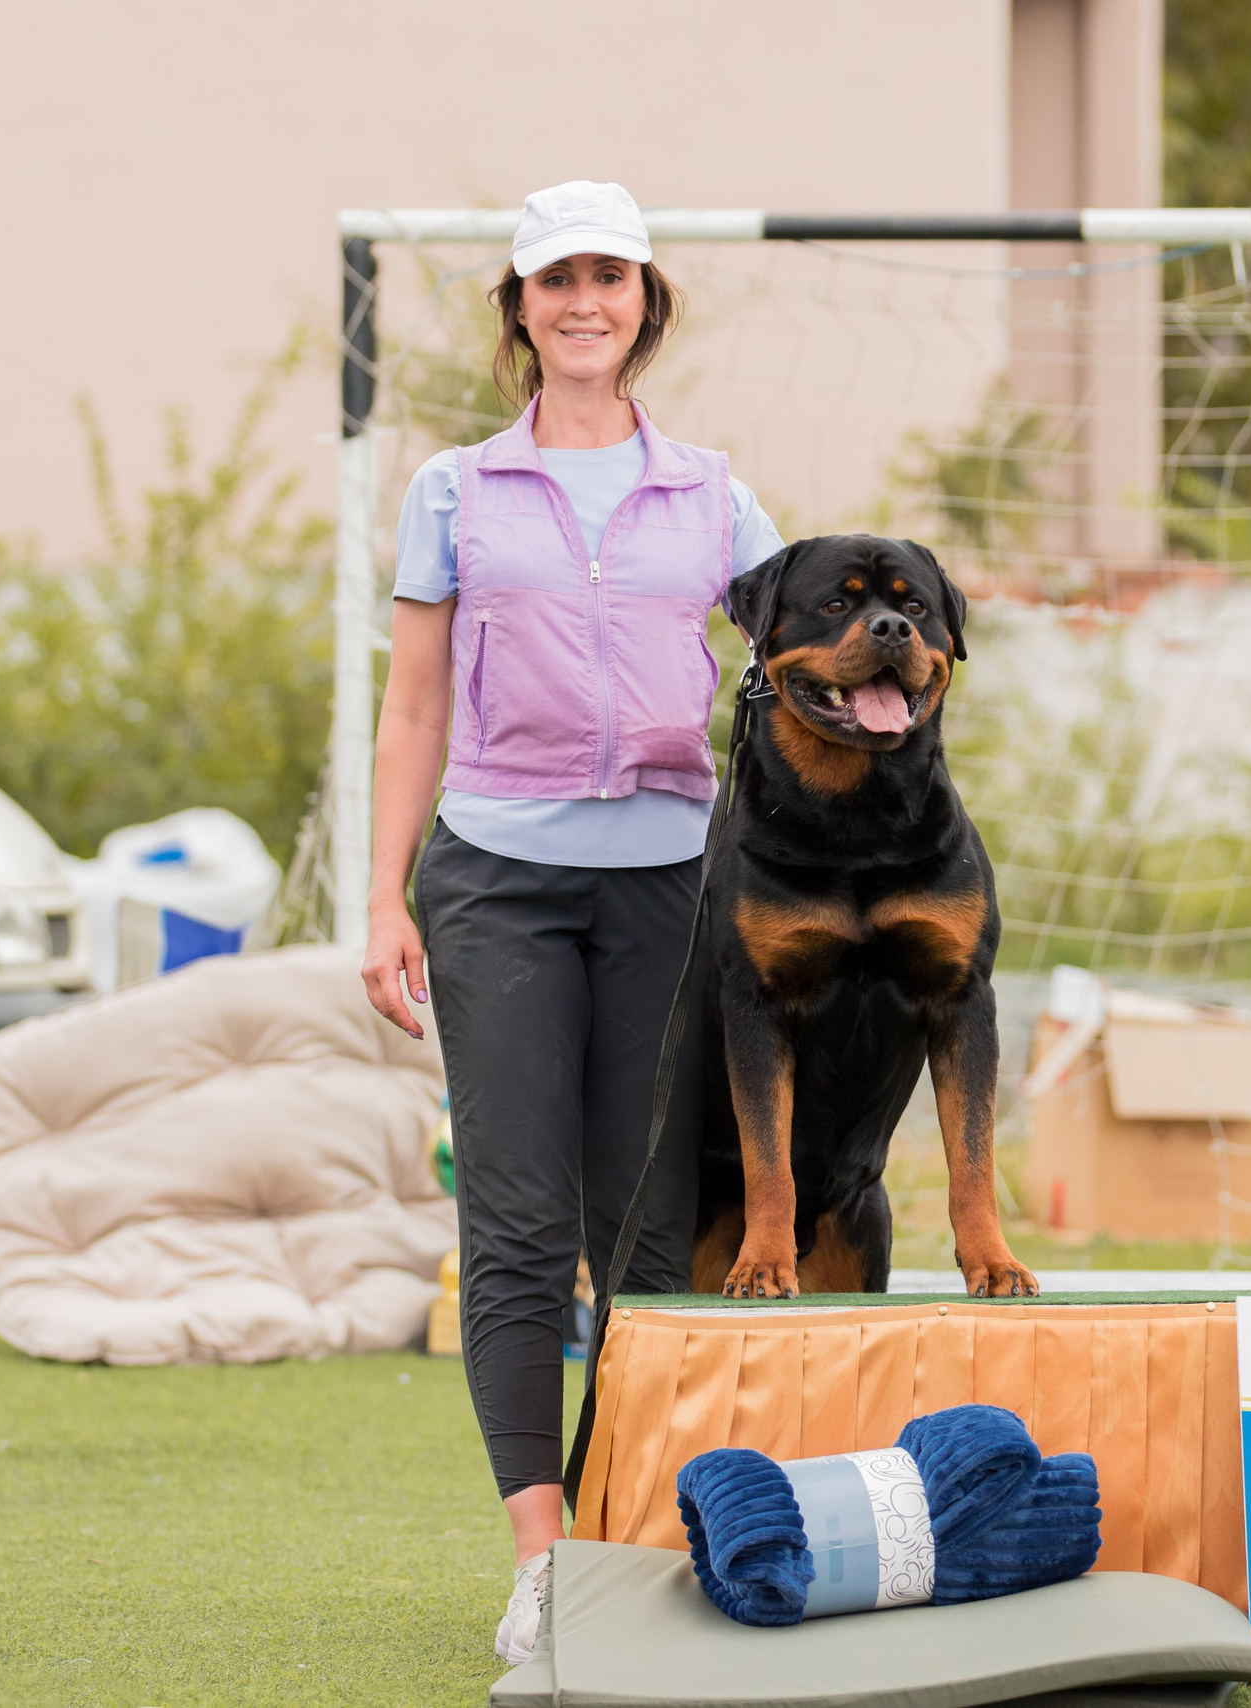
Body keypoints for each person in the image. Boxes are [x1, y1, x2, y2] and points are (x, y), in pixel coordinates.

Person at [359, 180, 785, 1665]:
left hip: (670, 888)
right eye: (557, 280)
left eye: (611, 277)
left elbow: (797, 666)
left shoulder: (716, 497)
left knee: (648, 1231)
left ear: (647, 301)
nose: (584, 302)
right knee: (520, 1225)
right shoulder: (454, 491)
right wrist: (383, 898)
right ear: (522, 307)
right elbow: (413, 707)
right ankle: (543, 1564)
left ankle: (631, 1540)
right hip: (495, 880)